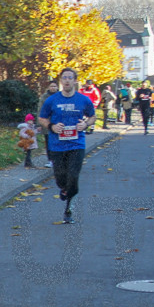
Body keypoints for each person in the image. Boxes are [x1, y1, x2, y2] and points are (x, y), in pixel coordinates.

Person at [39, 67, 96, 224]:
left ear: (75, 80)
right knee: (60, 178)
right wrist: (52, 127)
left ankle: (68, 209)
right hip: (56, 145)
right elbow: (42, 118)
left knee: (73, 176)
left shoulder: (83, 100)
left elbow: (92, 117)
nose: (67, 80)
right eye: (64, 77)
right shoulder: (51, 100)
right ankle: (64, 189)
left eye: (70, 77)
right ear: (61, 81)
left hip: (76, 144)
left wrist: (85, 124)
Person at [39, 81, 59, 167]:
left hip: (58, 122)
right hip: (46, 122)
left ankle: (58, 159)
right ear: (48, 87)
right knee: (48, 142)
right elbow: (40, 110)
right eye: (51, 86)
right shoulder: (44, 97)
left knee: (58, 141)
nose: (53, 88)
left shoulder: (61, 96)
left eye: (55, 86)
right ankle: (50, 160)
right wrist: (39, 124)